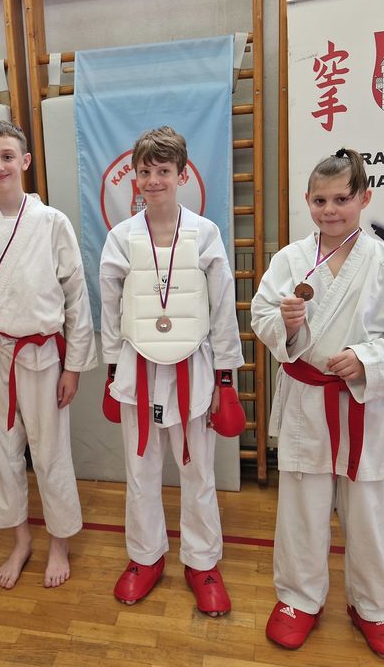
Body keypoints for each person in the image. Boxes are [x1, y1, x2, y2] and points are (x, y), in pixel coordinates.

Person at [251, 148, 384, 658]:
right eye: (320, 200)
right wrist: (286, 324)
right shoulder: (290, 259)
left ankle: (375, 605)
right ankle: (298, 599)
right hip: (307, 400)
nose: (330, 210)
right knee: (301, 509)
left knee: (371, 510)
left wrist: (368, 359)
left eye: (341, 199)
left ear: (364, 199)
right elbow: (262, 315)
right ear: (307, 201)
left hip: (366, 405)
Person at [98, 126, 244, 617]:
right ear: (134, 178)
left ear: (182, 175)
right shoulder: (121, 238)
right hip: (137, 367)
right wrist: (111, 371)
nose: (153, 180)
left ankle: (202, 563)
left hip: (193, 368)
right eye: (145, 172)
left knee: (197, 469)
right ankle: (145, 557)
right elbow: (110, 310)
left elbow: (222, 309)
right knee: (140, 470)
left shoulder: (205, 233)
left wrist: (226, 377)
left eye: (163, 171)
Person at [0, 120, 96, 590]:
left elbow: (76, 299)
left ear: (25, 162)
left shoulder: (52, 223)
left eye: (8, 156)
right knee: (2, 451)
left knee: (50, 451)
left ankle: (59, 542)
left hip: (42, 355)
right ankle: (21, 540)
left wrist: (74, 366)